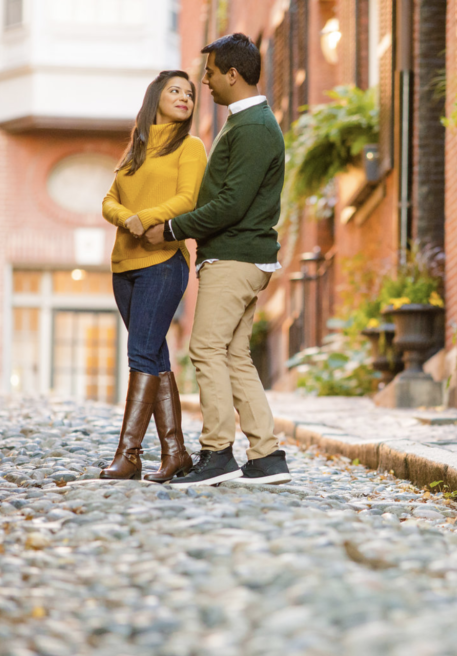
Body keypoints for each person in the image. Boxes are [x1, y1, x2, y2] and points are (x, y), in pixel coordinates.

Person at [144, 34, 291, 486]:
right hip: (243, 256)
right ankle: (266, 456)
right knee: (233, 355)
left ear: (232, 74)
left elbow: (231, 203)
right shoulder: (248, 122)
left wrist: (171, 228)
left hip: (235, 256)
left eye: (209, 73)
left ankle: (218, 452)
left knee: (205, 348)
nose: (203, 82)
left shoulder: (252, 127)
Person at [99, 70, 208, 482]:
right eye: (175, 91)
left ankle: (128, 455)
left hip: (163, 263)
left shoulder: (190, 147)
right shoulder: (135, 150)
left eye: (190, 94)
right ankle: (176, 453)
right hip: (123, 265)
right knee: (156, 357)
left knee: (141, 355)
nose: (184, 98)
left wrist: (144, 218)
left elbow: (187, 199)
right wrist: (127, 219)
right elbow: (109, 200)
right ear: (155, 98)